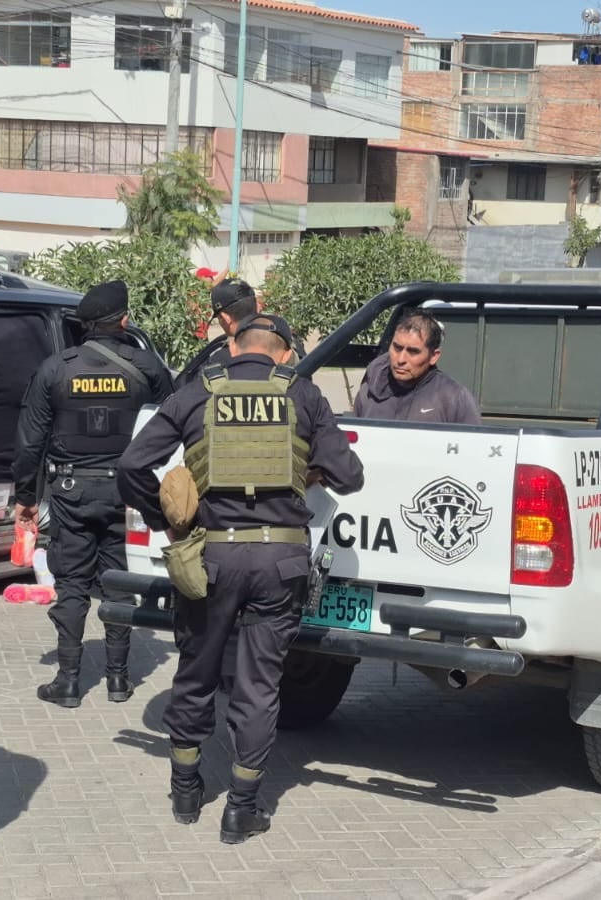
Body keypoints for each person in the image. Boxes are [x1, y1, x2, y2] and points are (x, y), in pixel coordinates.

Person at [119, 314, 365, 844]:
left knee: (196, 672)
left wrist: (167, 520)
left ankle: (185, 793)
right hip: (280, 563)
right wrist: (304, 470)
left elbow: (131, 466)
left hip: (210, 558)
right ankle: (241, 810)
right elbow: (351, 476)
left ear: (232, 347)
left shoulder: (194, 393)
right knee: (258, 688)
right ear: (282, 354)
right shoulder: (303, 395)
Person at [11, 280, 172, 708]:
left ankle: (67, 681)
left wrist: (26, 497)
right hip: (128, 493)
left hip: (70, 493)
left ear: (84, 325)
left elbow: (30, 442)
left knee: (73, 584)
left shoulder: (55, 369)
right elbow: (172, 429)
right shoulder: (149, 368)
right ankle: (119, 679)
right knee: (119, 580)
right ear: (122, 321)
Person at [352, 309, 482, 425]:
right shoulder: (368, 391)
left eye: (413, 351)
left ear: (434, 356)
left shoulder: (454, 398)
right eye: (397, 347)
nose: (401, 359)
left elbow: (473, 447)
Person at [175, 278, 259, 390]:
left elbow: (191, 394)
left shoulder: (219, 357)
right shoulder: (282, 345)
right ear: (257, 307)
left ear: (225, 317)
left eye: (219, 318)